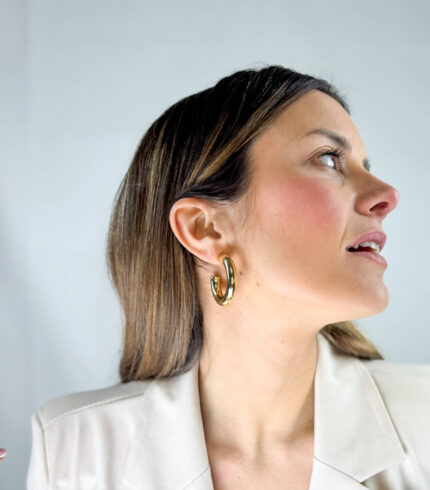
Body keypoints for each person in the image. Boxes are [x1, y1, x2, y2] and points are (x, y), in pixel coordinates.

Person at [26, 65, 430, 489]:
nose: (387, 195)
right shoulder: (73, 450)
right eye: (329, 159)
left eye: (364, 165)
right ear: (205, 229)